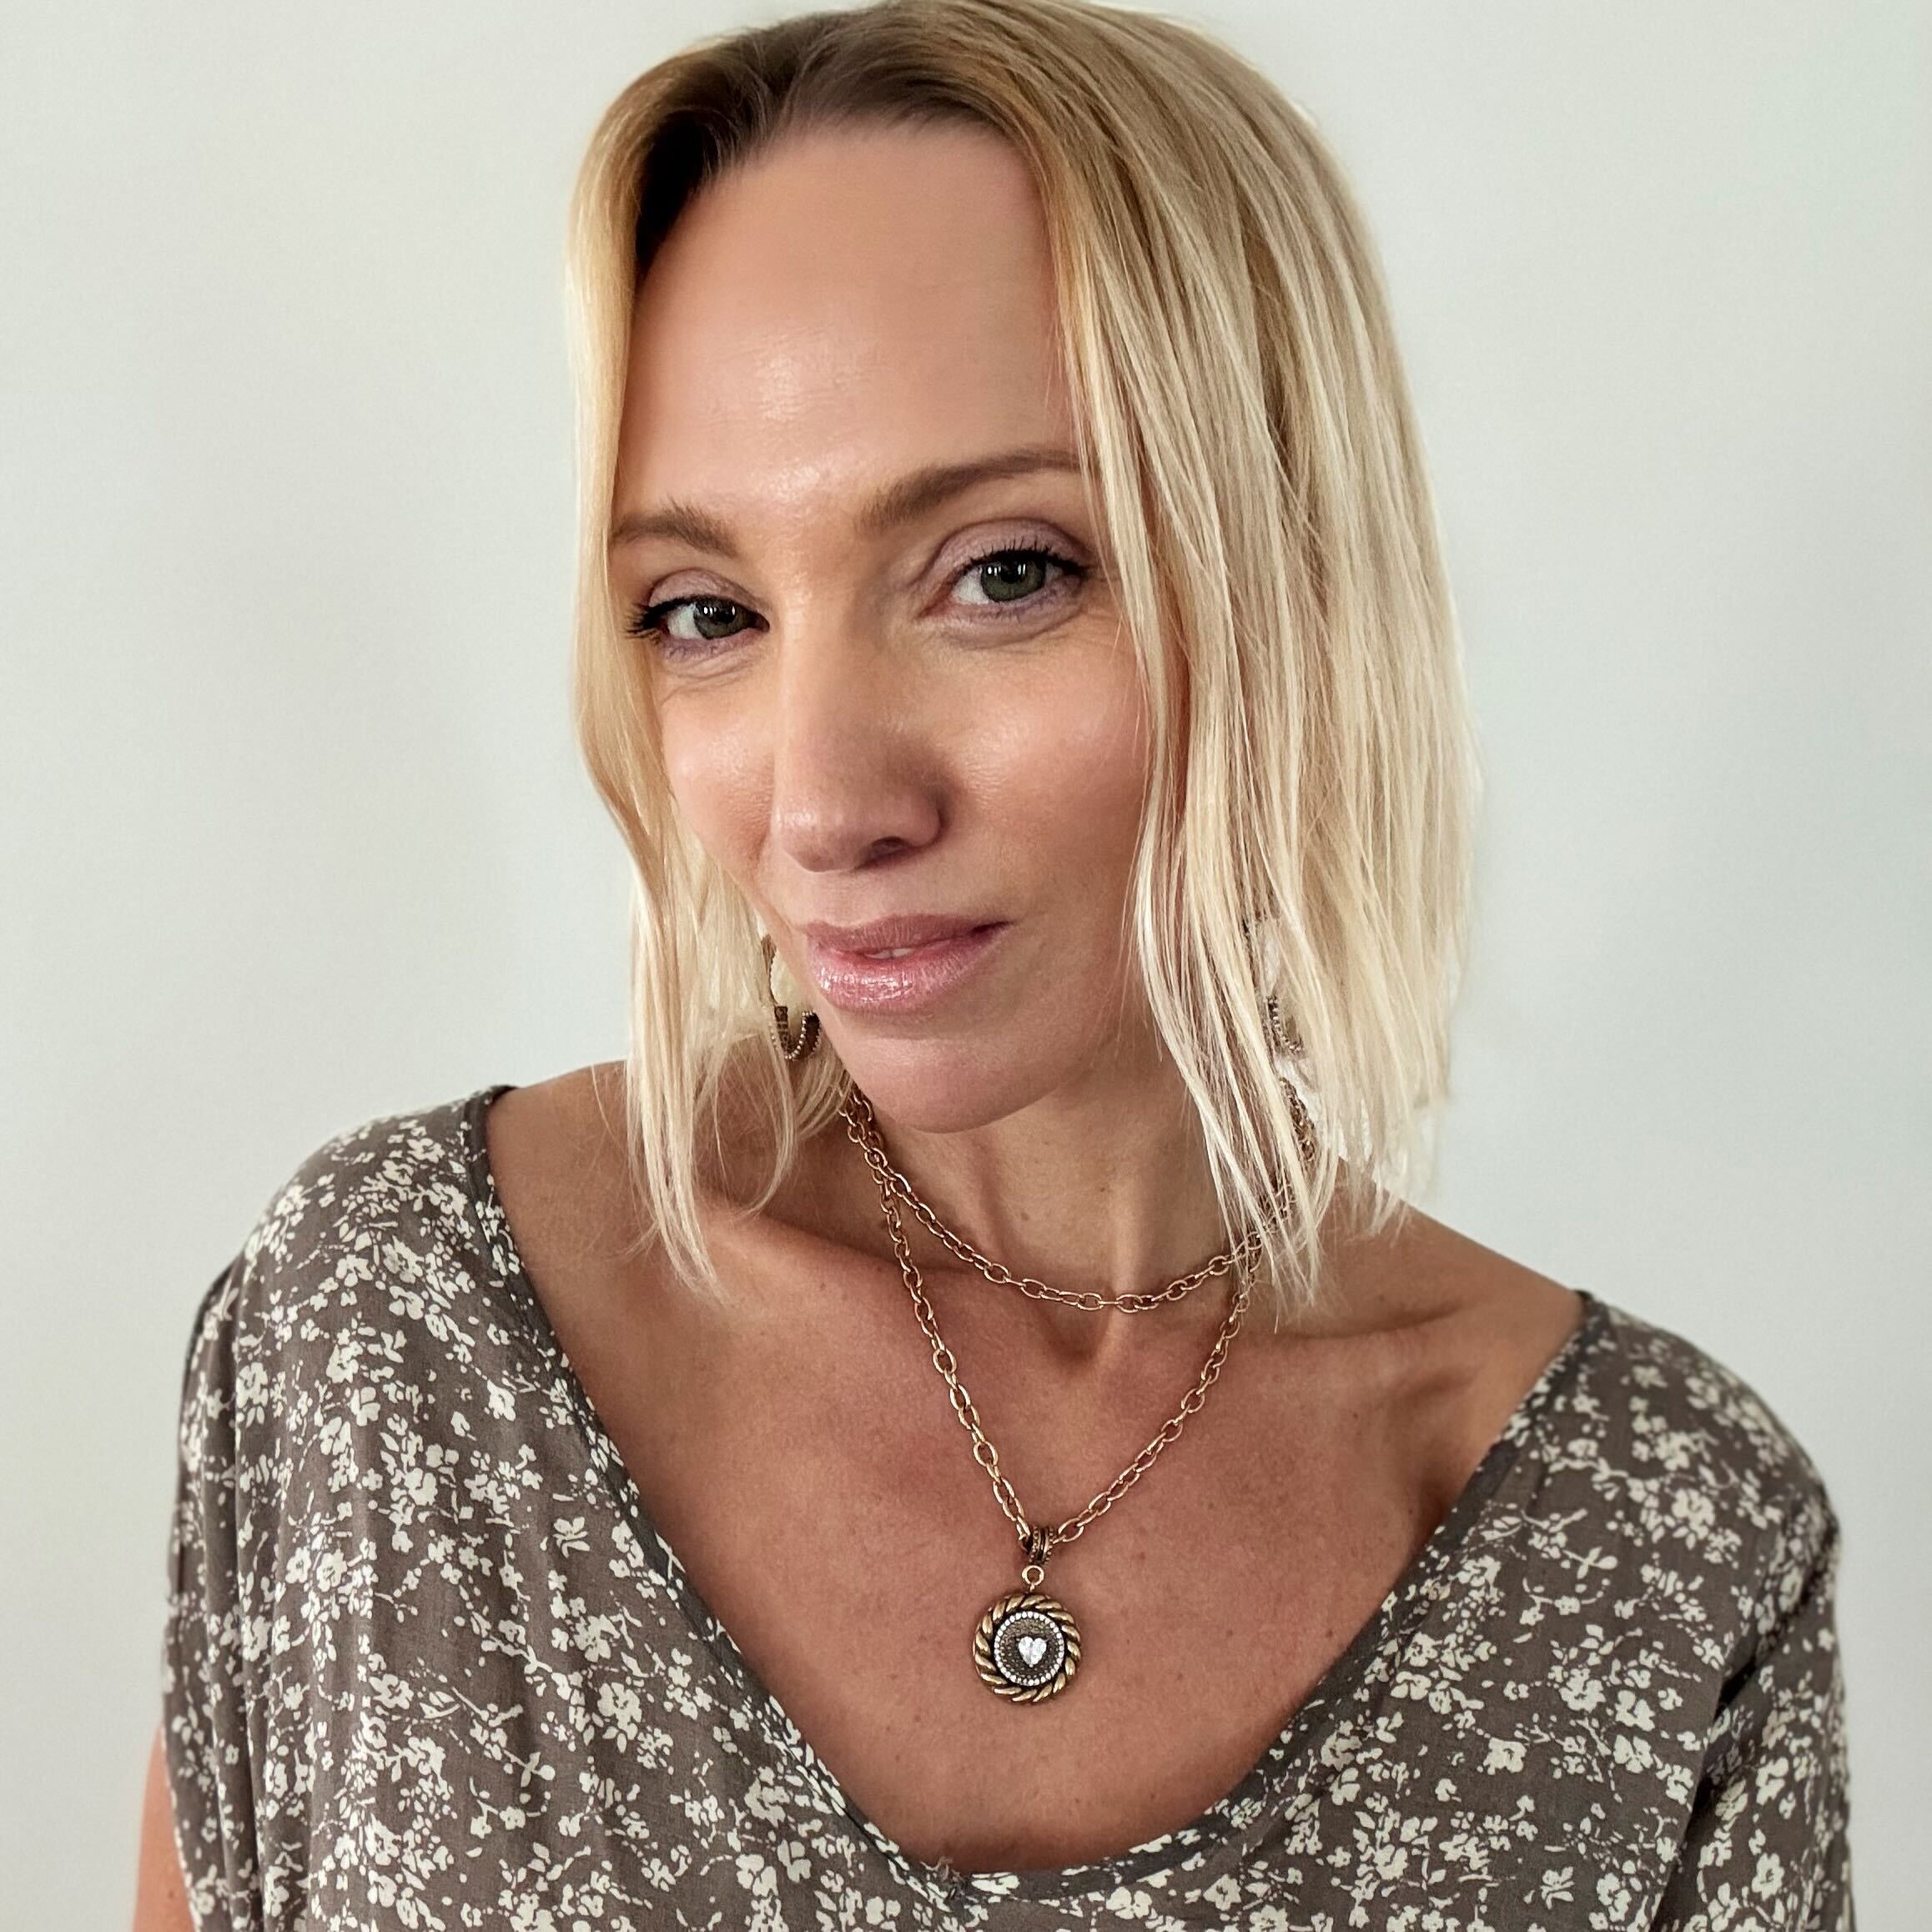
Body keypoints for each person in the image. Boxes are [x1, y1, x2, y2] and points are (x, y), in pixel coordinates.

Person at [132, 2, 1854, 1925]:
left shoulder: (1660, 1544)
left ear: (1294, 582)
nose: (823, 804)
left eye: (1005, 573)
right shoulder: (396, 1331)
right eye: (704, 611)